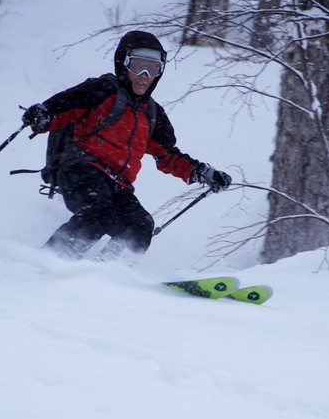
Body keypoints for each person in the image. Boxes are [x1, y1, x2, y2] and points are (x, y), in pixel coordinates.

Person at [21, 30, 231, 262]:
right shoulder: (101, 90)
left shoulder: (152, 113)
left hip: (118, 183)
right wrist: (43, 116)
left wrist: (201, 172)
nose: (144, 75)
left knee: (141, 225)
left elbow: (167, 155)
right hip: (82, 169)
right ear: (123, 64)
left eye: (153, 69)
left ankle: (108, 274)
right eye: (138, 66)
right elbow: (59, 111)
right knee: (99, 211)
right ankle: (47, 263)